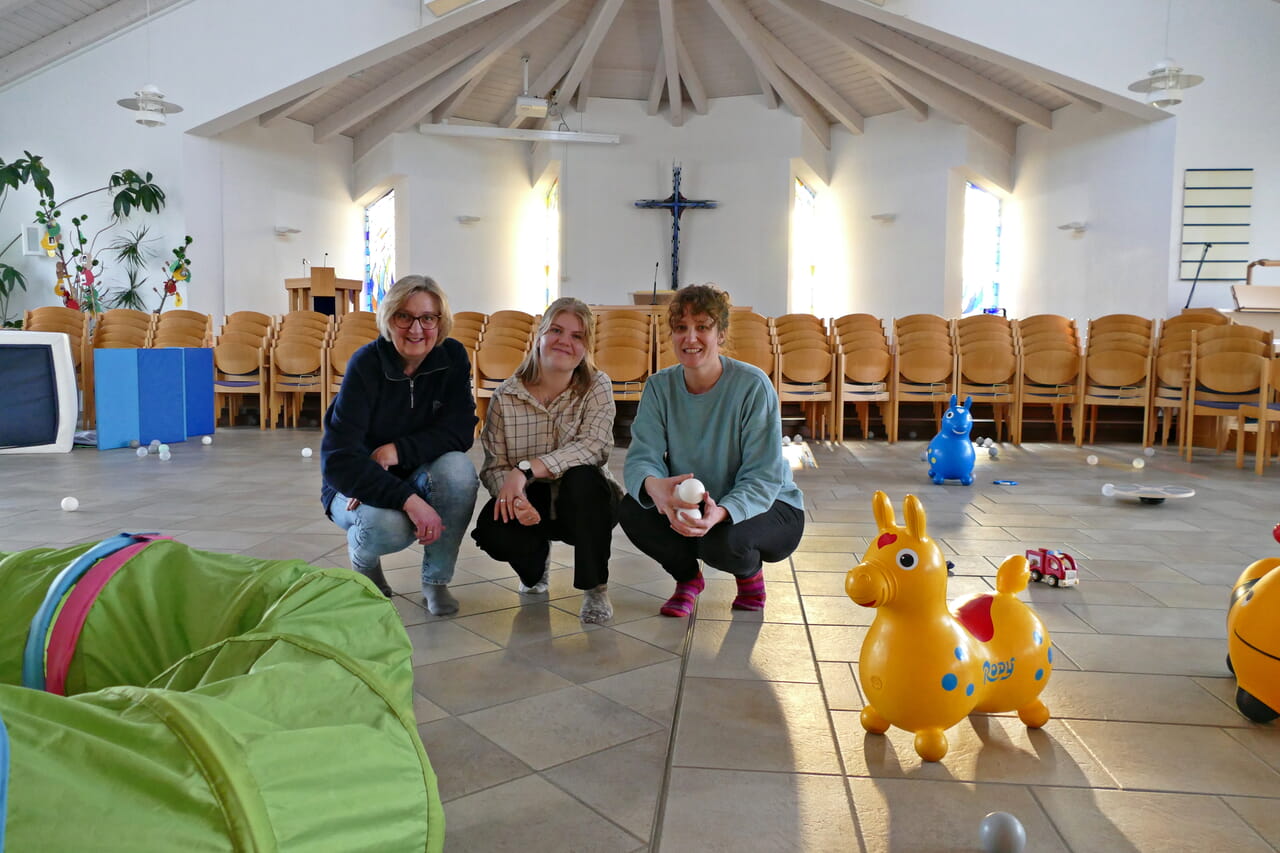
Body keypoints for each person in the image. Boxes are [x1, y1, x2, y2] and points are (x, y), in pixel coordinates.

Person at [619, 284, 805, 617]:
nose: (690, 338)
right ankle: (688, 580)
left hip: (771, 504)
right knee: (632, 508)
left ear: (720, 334)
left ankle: (749, 576)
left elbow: (763, 476)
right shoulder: (659, 387)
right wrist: (655, 487)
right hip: (694, 501)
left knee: (719, 542)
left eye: (702, 327)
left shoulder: (752, 386)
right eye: (681, 328)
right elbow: (641, 457)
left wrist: (720, 511)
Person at [320, 274, 479, 616]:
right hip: (356, 483)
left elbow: (461, 429)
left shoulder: (451, 357)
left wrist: (398, 451)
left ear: (440, 321)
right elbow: (339, 459)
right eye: (403, 316)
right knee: (387, 527)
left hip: (415, 473)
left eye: (427, 318)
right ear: (388, 319)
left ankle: (436, 581)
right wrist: (408, 500)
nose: (416, 329)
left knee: (458, 471)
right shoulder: (366, 364)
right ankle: (364, 561)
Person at [471, 297, 622, 623]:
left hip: (583, 500)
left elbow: (593, 447)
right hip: (533, 499)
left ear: (586, 346)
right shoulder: (506, 396)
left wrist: (526, 469)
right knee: (492, 530)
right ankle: (534, 566)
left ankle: (595, 587)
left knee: (585, 478)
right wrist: (515, 497)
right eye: (556, 330)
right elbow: (495, 466)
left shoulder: (597, 385)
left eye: (577, 335)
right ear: (539, 334)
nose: (565, 341)